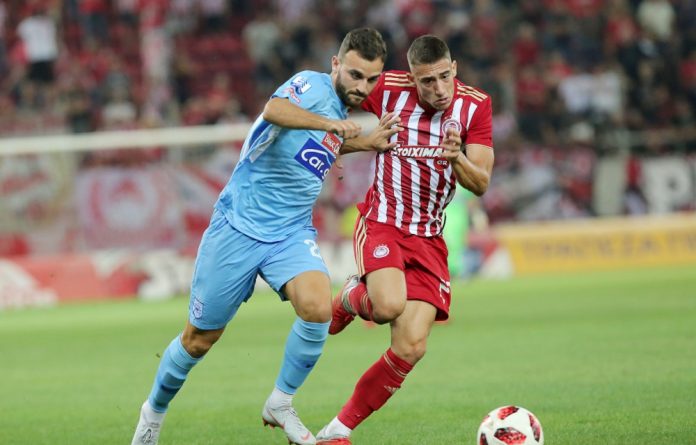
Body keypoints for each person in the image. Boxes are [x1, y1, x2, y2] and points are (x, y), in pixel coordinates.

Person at [131, 28, 400, 445]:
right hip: (238, 227)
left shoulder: (338, 114)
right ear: (335, 64)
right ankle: (153, 412)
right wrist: (332, 124)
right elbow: (275, 110)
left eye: (371, 79)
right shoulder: (311, 86)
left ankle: (280, 402)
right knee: (199, 340)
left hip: (290, 232)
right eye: (355, 75)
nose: (362, 87)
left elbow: (319, 144)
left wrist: (364, 142)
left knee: (317, 308)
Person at [316, 35, 495, 444]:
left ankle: (336, 431)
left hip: (429, 236)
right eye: (427, 81)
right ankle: (352, 297)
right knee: (387, 307)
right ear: (412, 79)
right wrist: (349, 142)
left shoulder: (476, 105)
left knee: (412, 345)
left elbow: (481, 182)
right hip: (384, 222)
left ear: (455, 68)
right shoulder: (387, 88)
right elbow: (332, 96)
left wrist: (457, 157)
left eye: (444, 77)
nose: (438, 88)